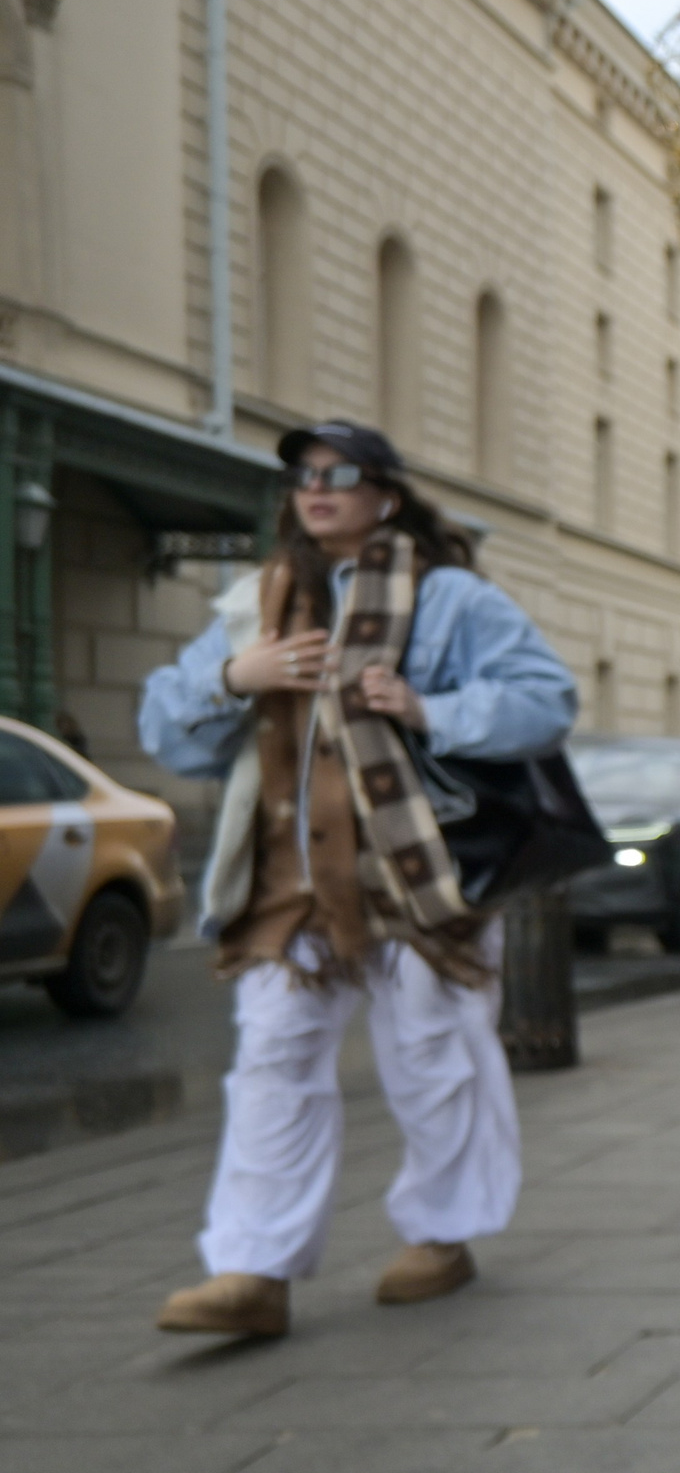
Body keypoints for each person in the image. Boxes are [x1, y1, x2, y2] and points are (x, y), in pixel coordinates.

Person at [138, 421, 579, 1339]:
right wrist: (235, 676)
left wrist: (430, 707)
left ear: (386, 497)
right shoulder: (255, 605)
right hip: (290, 882)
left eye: (340, 473)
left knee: (434, 1054)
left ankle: (443, 1236)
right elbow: (167, 732)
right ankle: (252, 1271)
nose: (317, 488)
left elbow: (548, 701)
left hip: (423, 879)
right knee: (272, 1060)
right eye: (303, 475)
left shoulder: (450, 598)